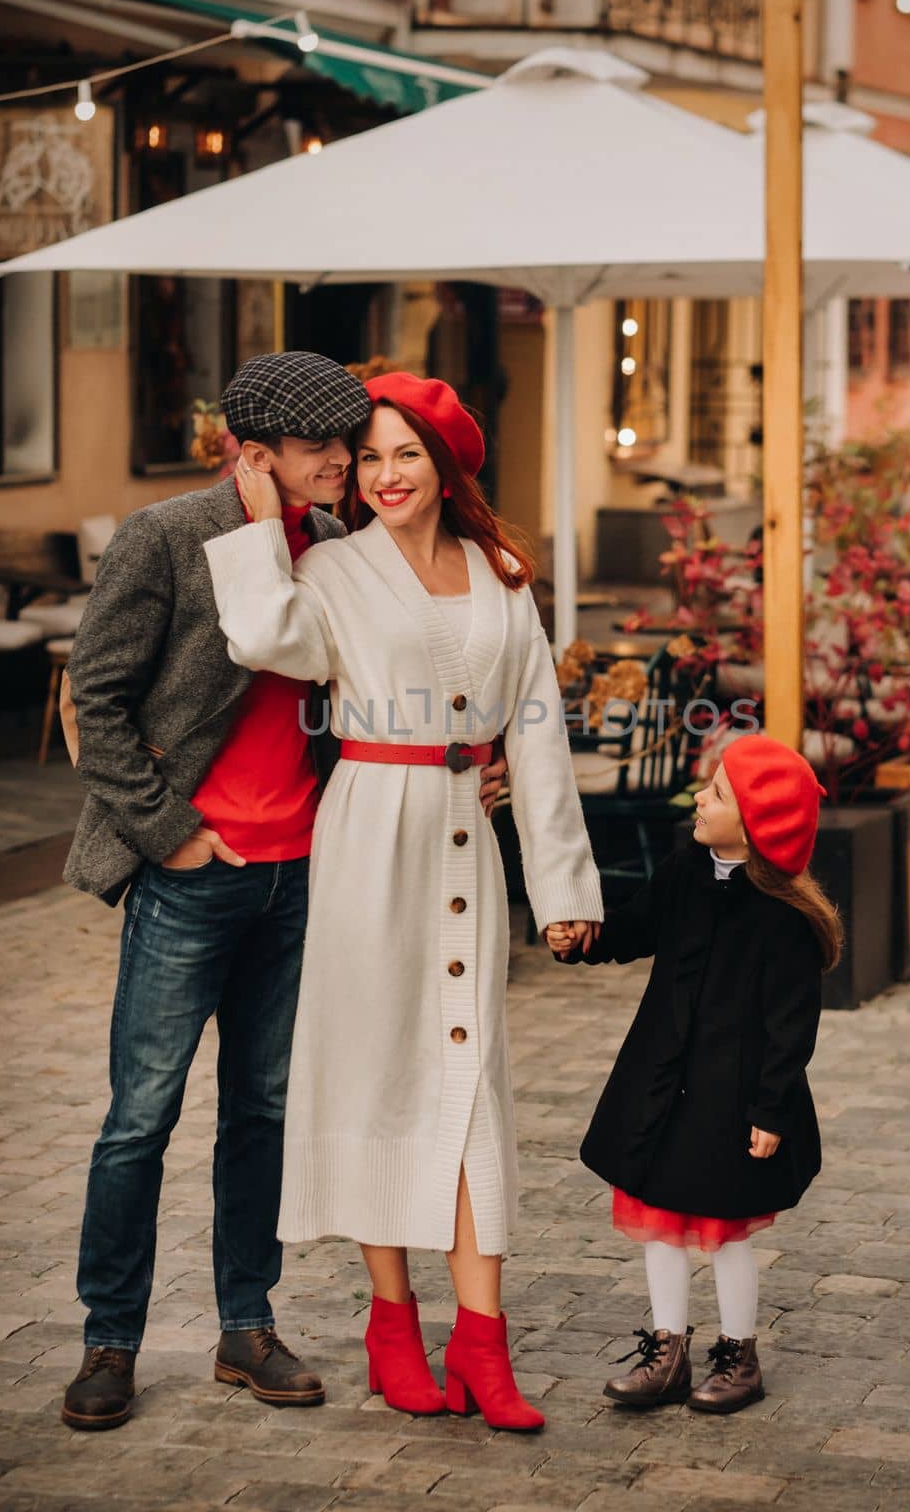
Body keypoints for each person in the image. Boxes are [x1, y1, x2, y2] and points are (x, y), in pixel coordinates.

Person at [60, 351, 508, 1431]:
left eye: (352, 448)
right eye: (321, 450)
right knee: (141, 1116)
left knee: (260, 1109)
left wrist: (467, 757)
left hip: (309, 873)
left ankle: (245, 1324)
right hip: (193, 878)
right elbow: (95, 701)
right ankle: (108, 1341)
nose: (345, 465)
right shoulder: (165, 537)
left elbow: (390, 682)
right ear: (251, 453)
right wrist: (171, 837)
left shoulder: (340, 549)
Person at [204, 371, 603, 1433]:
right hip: (370, 833)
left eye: (403, 455)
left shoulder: (502, 575)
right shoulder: (329, 568)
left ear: (444, 465)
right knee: (379, 1072)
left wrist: (561, 884)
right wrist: (255, 529)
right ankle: (392, 1320)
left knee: (471, 1085)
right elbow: (265, 640)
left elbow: (537, 732)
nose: (381, 475)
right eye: (367, 457)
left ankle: (483, 1342)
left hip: (465, 838)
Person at [547, 734, 842, 1415]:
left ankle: (739, 1353)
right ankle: (666, 1350)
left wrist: (770, 1110)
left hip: (730, 1098)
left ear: (755, 822)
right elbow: (635, 930)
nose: (697, 801)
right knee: (658, 1218)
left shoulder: (782, 916)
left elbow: (790, 1026)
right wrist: (584, 939)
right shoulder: (685, 870)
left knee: (723, 1226)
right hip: (660, 1081)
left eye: (714, 794)